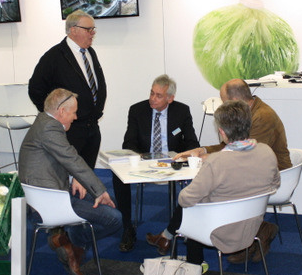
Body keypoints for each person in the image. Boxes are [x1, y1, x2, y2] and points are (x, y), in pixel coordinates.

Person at [145, 100, 281, 265]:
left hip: (219, 229)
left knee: (192, 206)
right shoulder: (267, 152)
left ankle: (195, 266)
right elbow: (275, 183)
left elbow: (184, 200)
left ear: (222, 132)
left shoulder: (216, 161)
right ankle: (169, 240)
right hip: (252, 224)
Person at [174, 78, 292, 263]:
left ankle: (193, 266)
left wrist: (209, 160)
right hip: (258, 185)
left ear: (222, 131)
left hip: (226, 218)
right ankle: (256, 229)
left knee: (195, 201)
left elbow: (240, 158)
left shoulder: (263, 117)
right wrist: (203, 150)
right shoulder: (262, 146)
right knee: (211, 190)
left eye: (223, 101)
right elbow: (238, 148)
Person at [18, 88, 121, 275]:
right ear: (62, 111)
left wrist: (76, 179)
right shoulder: (49, 128)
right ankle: (75, 242)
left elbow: (60, 159)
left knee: (113, 202)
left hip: (50, 192)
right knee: (114, 218)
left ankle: (71, 243)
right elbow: (72, 159)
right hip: (50, 202)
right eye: (73, 112)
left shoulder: (44, 122)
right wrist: (100, 191)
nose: (75, 117)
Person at [113, 75, 200, 252]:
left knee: (200, 178)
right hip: (144, 161)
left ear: (170, 98)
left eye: (159, 95)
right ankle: (127, 227)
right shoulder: (137, 110)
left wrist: (182, 156)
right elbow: (128, 143)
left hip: (173, 163)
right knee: (117, 175)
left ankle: (183, 228)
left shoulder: (182, 111)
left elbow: (192, 142)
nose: (152, 98)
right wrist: (142, 157)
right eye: (152, 93)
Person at [28, 10, 106, 169]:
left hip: (92, 127)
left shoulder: (90, 52)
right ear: (73, 30)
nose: (92, 33)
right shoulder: (54, 56)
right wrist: (54, 116)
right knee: (66, 174)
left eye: (93, 29)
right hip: (69, 130)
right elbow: (35, 89)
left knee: (86, 174)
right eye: (88, 29)